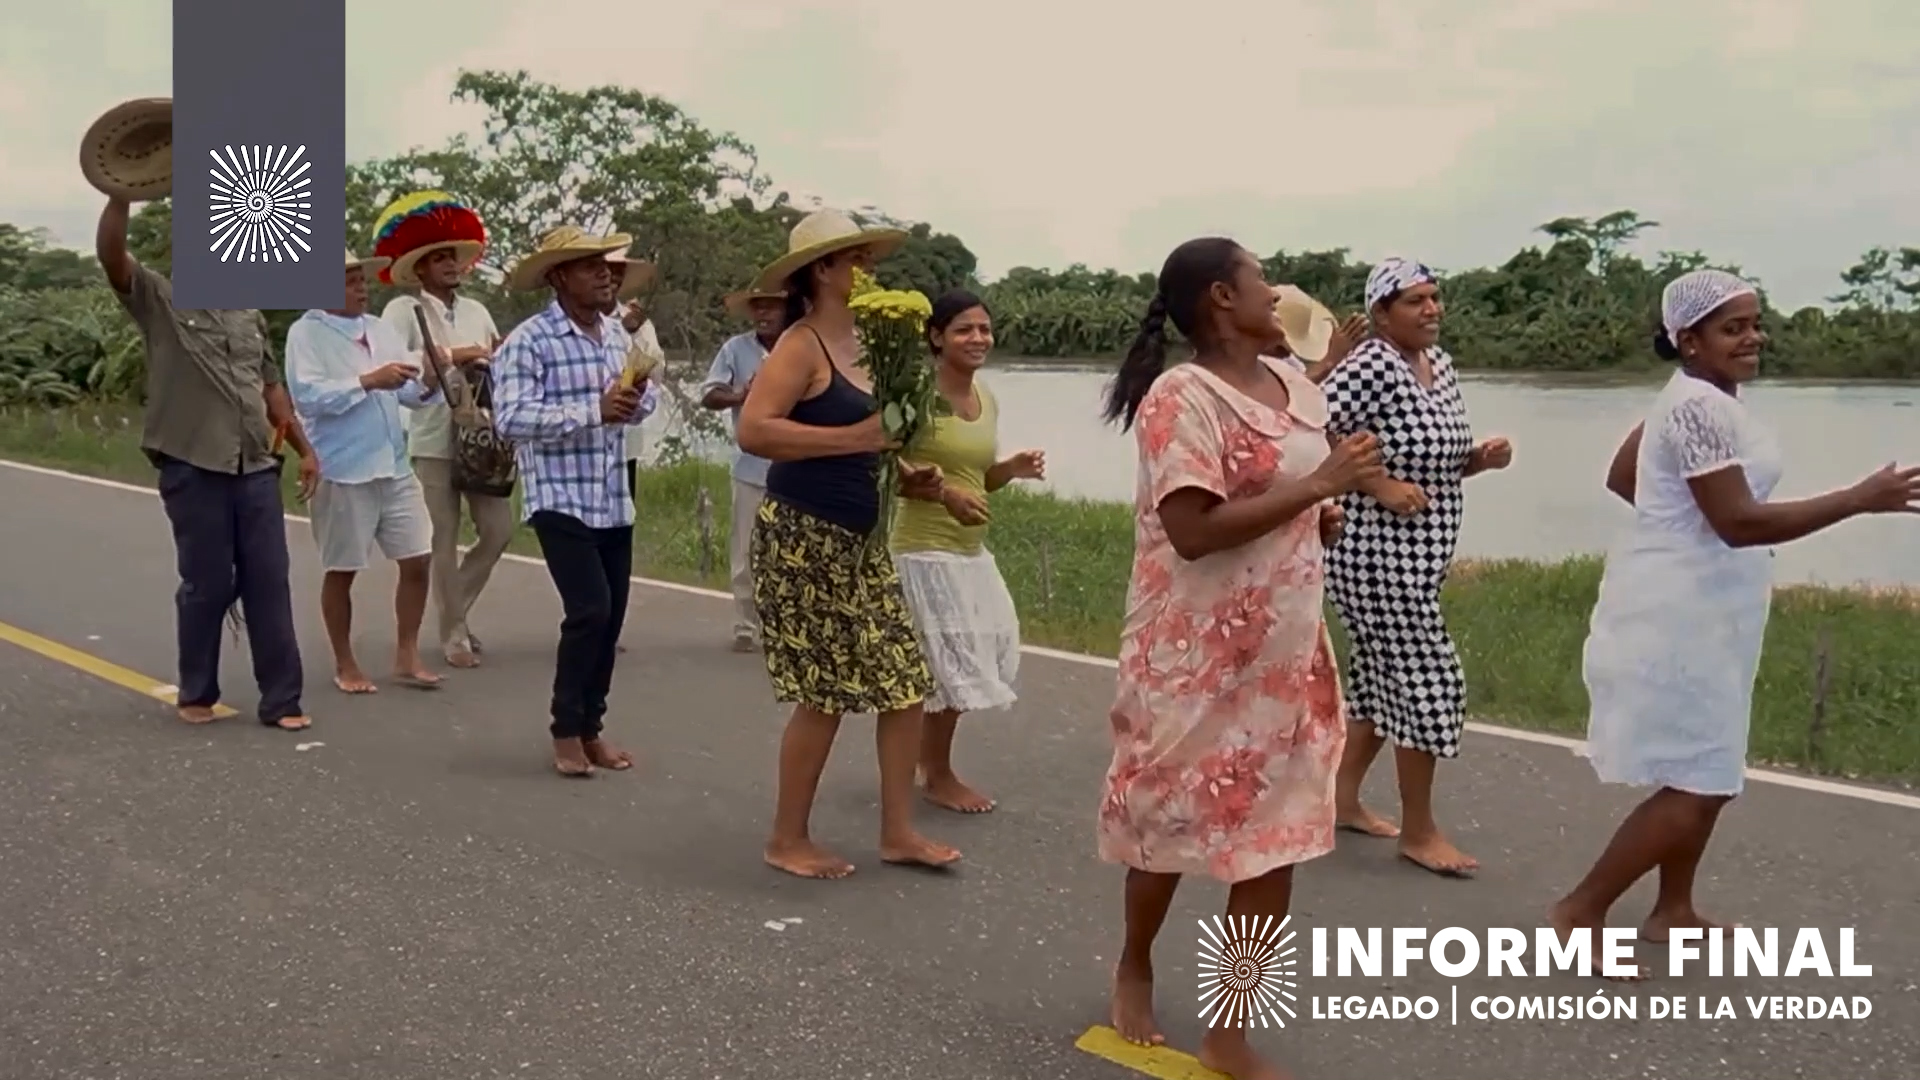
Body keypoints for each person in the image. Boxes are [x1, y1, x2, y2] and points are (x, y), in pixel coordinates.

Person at [1551, 270, 1920, 972]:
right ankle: (1579, 909)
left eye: (1755, 323)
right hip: (1680, 614)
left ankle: (1674, 909)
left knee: (1710, 761)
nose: (1753, 337)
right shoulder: (1697, 408)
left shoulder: (1701, 400)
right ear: (1687, 340)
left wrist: (1672, 526)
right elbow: (1739, 522)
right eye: (1733, 327)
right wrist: (1858, 497)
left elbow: (1627, 476)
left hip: (1710, 607)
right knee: (1702, 780)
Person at [1096, 237, 1381, 1079]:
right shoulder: (1179, 398)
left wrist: (1316, 507)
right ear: (1222, 297)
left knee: (1273, 846)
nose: (1278, 290)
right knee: (1165, 829)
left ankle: (1230, 1027)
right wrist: (1318, 489)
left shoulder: (1293, 383)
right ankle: (1136, 961)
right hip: (1191, 655)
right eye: (1263, 279)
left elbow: (1291, 469)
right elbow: (1191, 532)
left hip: (1284, 653)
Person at [736, 208, 960, 879]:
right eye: (855, 257)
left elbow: (882, 438)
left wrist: (909, 473)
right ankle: (786, 838)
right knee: (824, 692)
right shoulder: (801, 345)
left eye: (868, 255)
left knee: (904, 683)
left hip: (862, 540)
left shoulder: (877, 340)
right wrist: (853, 440)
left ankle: (898, 831)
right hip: (803, 537)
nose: (868, 267)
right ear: (823, 270)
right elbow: (754, 431)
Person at [93, 194, 317, 732]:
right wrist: (120, 195)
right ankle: (197, 691)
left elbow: (270, 389)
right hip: (193, 463)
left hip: (256, 464)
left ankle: (282, 700)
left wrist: (307, 451)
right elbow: (111, 255)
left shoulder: (249, 315)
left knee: (269, 579)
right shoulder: (159, 298)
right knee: (208, 582)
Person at [1320, 257, 1513, 876]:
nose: (1431, 309)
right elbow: (1310, 423)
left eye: (1435, 297)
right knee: (1433, 679)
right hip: (1372, 551)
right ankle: (1420, 831)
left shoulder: (1441, 366)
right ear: (1381, 314)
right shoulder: (1372, 363)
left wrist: (1479, 460)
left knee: (1379, 683)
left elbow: (1434, 457)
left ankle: (1339, 800)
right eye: (1415, 301)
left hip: (1421, 553)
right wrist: (1376, 485)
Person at [492, 227, 660, 778]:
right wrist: (594, 409)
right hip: (559, 495)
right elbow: (510, 417)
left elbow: (642, 399)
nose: (606, 274)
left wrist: (634, 401)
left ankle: (592, 730)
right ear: (559, 276)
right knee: (588, 611)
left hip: (613, 494)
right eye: (590, 266)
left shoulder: (616, 336)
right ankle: (566, 729)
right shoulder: (529, 340)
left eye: (607, 266)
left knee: (611, 621)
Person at [891, 290, 1044, 813]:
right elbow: (885, 463)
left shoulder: (987, 398)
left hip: (970, 550)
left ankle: (921, 765)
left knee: (974, 655)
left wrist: (1010, 469)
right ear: (936, 337)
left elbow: (979, 478)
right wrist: (943, 494)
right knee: (949, 666)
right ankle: (935, 774)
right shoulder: (913, 393)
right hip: (923, 549)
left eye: (984, 329)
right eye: (963, 330)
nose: (978, 338)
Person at [286, 250, 445, 693]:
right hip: (343, 469)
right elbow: (309, 396)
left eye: (362, 280)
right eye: (350, 281)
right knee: (343, 568)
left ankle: (407, 653)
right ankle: (345, 662)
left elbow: (411, 394)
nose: (362, 288)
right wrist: (368, 380)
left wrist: (429, 378)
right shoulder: (306, 333)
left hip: (392, 464)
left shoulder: (380, 329)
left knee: (418, 556)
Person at [374, 191, 508, 669]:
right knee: (442, 537)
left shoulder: (476, 310)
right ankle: (453, 634)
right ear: (421, 269)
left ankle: (456, 613)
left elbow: (497, 359)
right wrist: (457, 356)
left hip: (480, 433)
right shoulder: (402, 311)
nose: (450, 264)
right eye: (439, 258)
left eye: (453, 255)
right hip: (431, 434)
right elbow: (394, 366)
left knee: (498, 529)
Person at [700, 288, 785, 652]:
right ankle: (745, 625)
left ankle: (785, 624)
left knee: (789, 550)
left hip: (799, 468)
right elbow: (709, 395)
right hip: (751, 466)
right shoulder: (737, 349)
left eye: (772, 306)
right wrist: (741, 397)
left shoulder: (804, 344)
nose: (763, 313)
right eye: (758, 307)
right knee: (747, 550)